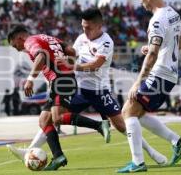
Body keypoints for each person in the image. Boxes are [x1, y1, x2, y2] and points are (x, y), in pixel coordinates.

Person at [8, 8, 168, 169]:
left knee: (120, 125)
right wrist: (65, 59)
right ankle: (32, 151)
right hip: (79, 88)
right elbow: (71, 52)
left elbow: (95, 65)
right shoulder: (80, 39)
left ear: (99, 26)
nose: (84, 30)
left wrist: (68, 66)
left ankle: (151, 152)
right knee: (48, 118)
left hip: (99, 90)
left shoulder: (106, 42)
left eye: (88, 27)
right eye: (83, 26)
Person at [6, 25, 110, 170]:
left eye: (14, 45)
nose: (16, 48)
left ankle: (99, 125)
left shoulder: (30, 41)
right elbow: (71, 50)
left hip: (61, 80)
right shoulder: (47, 37)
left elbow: (41, 57)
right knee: (44, 121)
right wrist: (68, 63)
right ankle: (58, 156)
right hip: (63, 79)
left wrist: (30, 79)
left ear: (19, 38)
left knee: (58, 118)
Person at [118, 0, 181, 173]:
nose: (140, 0)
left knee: (128, 112)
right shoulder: (173, 14)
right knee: (136, 114)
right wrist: (152, 47)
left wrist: (137, 83)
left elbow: (152, 55)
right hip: (170, 74)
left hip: (159, 72)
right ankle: (177, 142)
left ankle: (138, 163)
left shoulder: (157, 19)